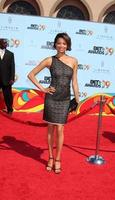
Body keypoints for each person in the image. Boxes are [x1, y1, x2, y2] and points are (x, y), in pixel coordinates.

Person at [28, 33, 79, 174]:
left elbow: (74, 81)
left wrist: (77, 99)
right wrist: (43, 89)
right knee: (50, 128)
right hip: (52, 98)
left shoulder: (74, 61)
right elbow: (31, 74)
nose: (61, 46)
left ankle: (58, 159)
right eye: (59, 43)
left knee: (60, 129)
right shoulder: (49, 60)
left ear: (68, 45)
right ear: (55, 44)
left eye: (64, 43)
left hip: (65, 99)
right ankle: (50, 157)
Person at [0, 39, 15, 114]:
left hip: (6, 79)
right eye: (4, 43)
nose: (6, 44)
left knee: (8, 96)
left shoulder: (10, 54)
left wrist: (12, 78)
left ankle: (10, 109)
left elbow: (12, 67)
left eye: (6, 43)